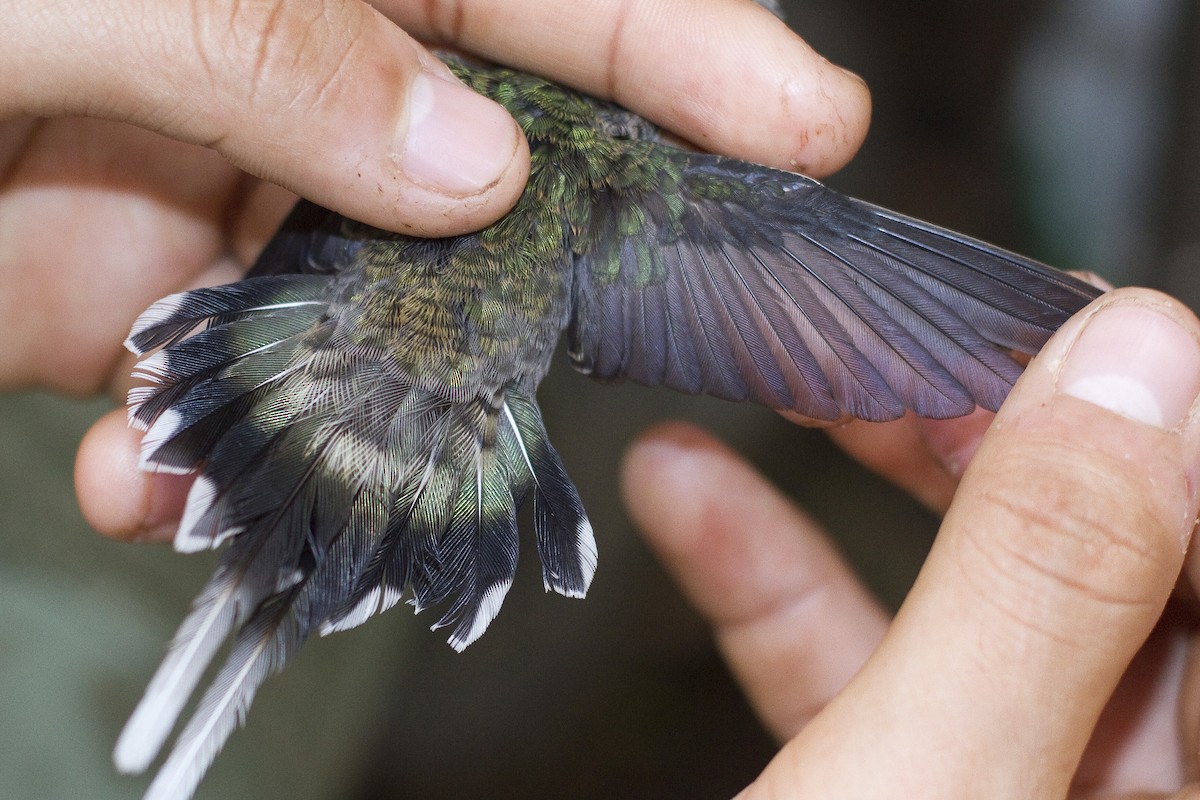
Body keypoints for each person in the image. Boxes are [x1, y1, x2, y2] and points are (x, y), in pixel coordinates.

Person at [0, 0, 1195, 796]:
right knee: (261, 603)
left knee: (254, 589)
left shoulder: (437, 64)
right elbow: (827, 249)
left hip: (328, 332)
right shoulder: (655, 185)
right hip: (452, 406)